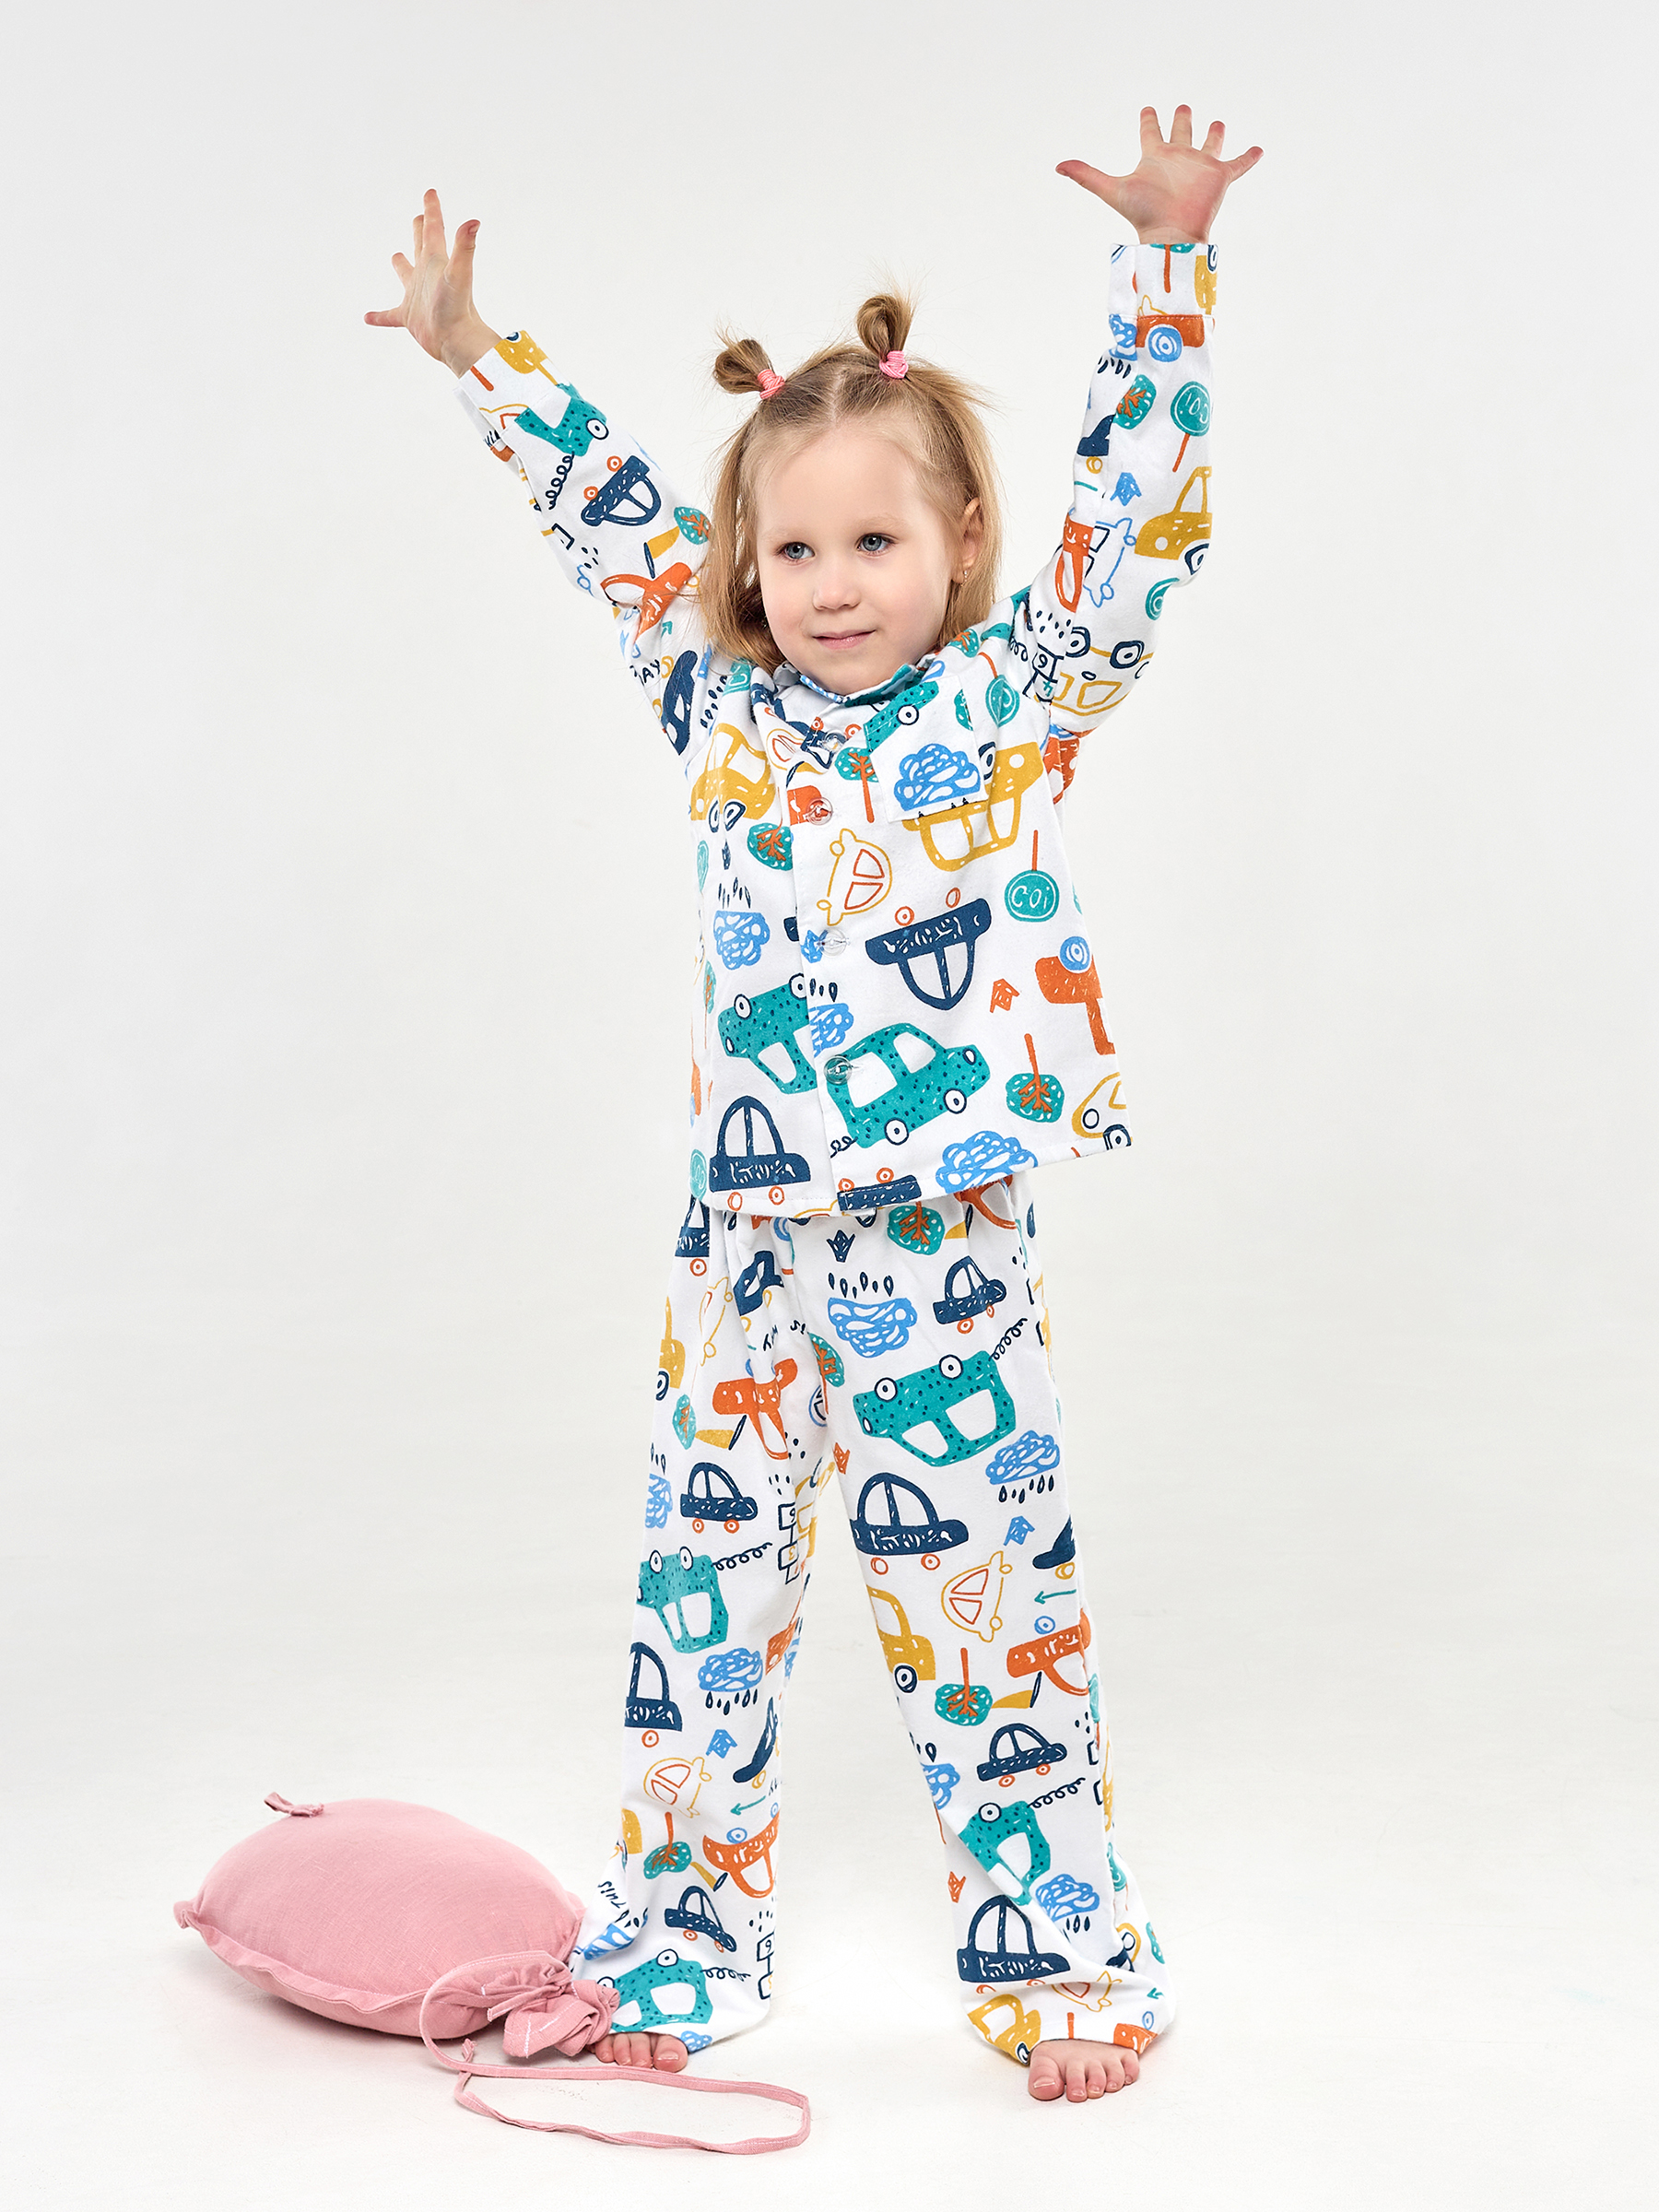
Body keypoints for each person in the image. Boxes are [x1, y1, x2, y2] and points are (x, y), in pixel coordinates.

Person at [366, 104, 1262, 2106]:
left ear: (962, 550)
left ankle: (1064, 1963)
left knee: (990, 1617)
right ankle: (679, 1948)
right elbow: (610, 516)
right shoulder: (717, 703)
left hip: (941, 1238)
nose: (832, 586)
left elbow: (1139, 524)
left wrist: (1168, 267)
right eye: (792, 551)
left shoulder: (1015, 703)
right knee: (704, 1610)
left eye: (875, 543)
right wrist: (477, 354)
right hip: (744, 1246)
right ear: (745, 572)